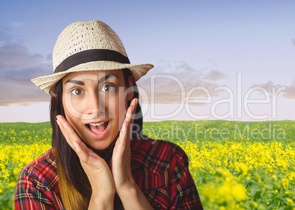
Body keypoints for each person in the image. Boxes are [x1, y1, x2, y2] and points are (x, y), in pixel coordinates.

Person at [14, 20, 203, 210]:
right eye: (77, 91)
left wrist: (128, 187)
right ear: (60, 100)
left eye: (108, 87)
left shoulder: (167, 162)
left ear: (129, 90)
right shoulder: (37, 181)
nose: (95, 108)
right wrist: (102, 196)